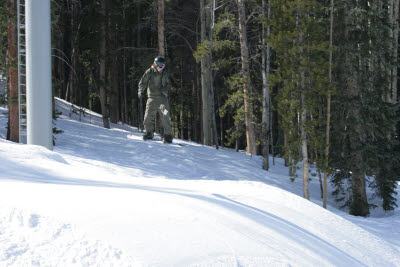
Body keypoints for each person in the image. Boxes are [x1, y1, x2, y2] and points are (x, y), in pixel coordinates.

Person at [138, 56, 173, 143]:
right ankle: (149, 133)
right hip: (152, 98)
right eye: (161, 66)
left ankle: (168, 135)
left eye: (163, 67)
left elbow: (167, 85)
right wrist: (140, 92)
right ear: (156, 65)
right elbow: (142, 82)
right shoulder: (149, 72)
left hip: (162, 100)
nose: (162, 68)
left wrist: (164, 91)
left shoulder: (164, 73)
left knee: (165, 115)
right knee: (148, 116)